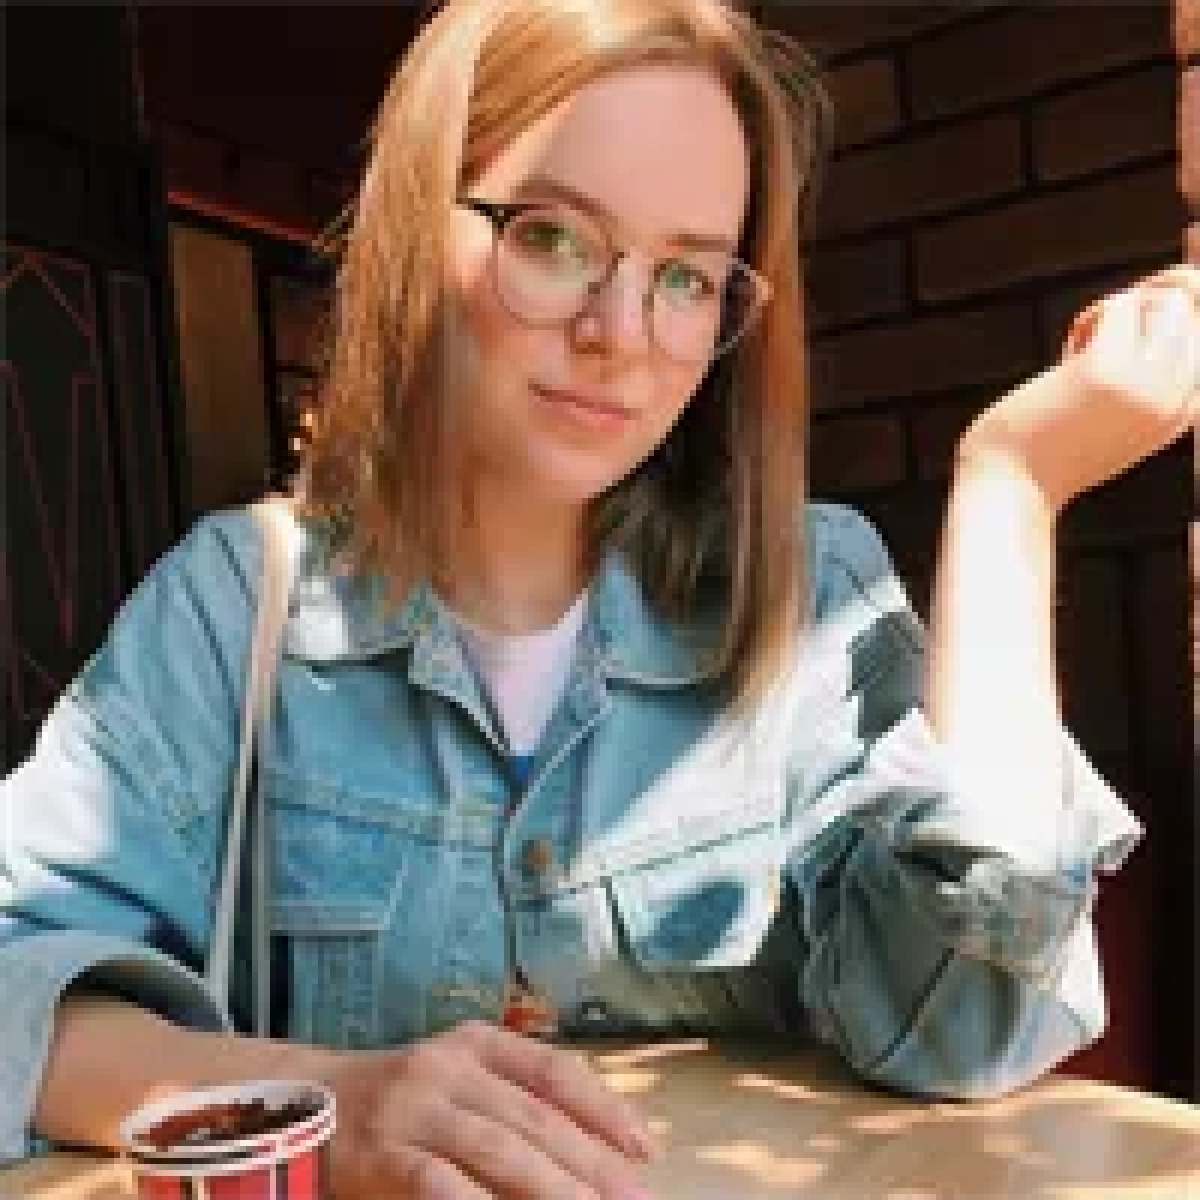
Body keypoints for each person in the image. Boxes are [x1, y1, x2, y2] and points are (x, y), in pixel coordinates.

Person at [3, 1, 1196, 1196]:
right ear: (419, 228)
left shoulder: (806, 594)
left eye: (686, 276)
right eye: (554, 239)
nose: (620, 333)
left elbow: (973, 1022)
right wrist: (332, 1101)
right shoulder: (237, 609)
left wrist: (1011, 488)